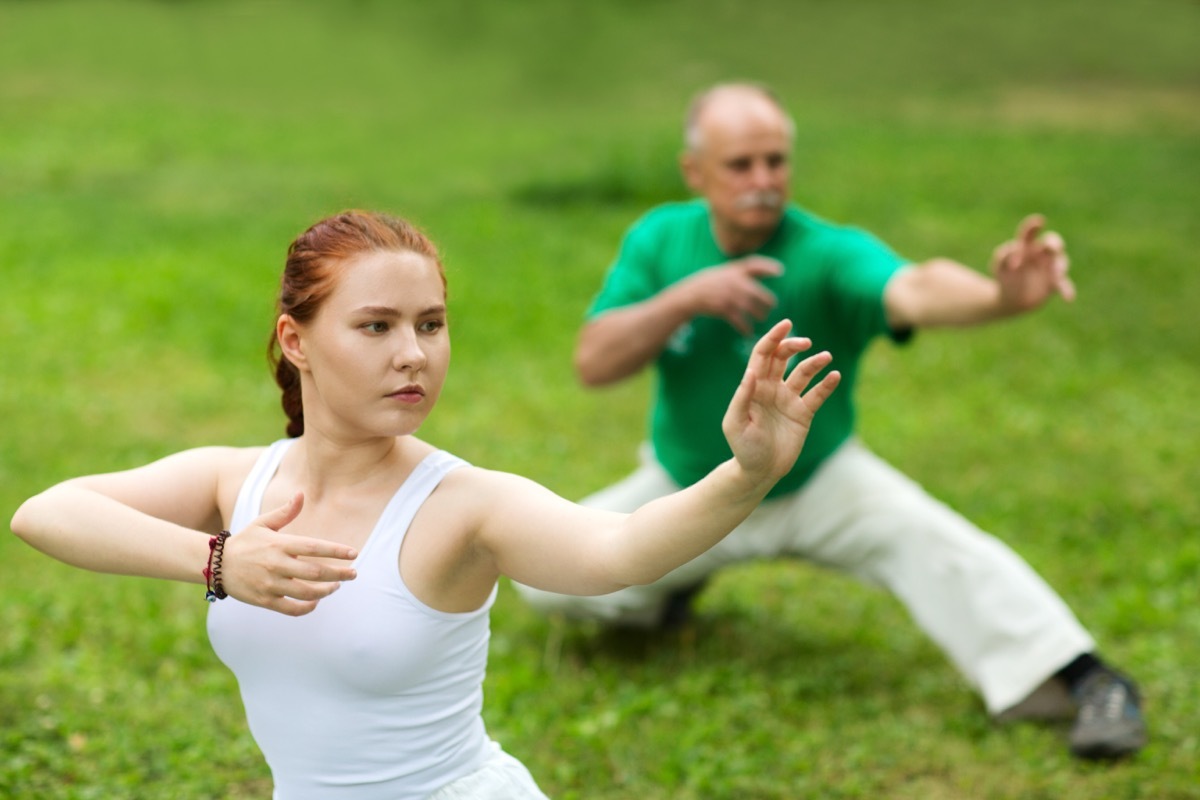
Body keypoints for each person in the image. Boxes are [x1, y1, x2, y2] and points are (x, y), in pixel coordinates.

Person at [10, 209, 841, 799]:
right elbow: (46, 511)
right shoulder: (239, 481)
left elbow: (616, 551)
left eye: (431, 325)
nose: (413, 356)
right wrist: (219, 560)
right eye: (376, 327)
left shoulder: (461, 504)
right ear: (297, 340)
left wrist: (746, 476)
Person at [514, 82, 1148, 761]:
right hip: (693, 484)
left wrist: (1000, 297)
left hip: (817, 481)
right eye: (740, 165)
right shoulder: (662, 239)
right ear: (694, 172)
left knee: (936, 545)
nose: (763, 180)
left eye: (776, 161)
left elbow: (915, 287)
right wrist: (686, 298)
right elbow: (593, 362)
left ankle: (1087, 680)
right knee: (545, 582)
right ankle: (667, 595)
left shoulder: (825, 251)